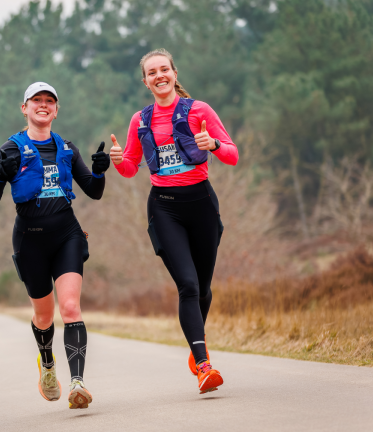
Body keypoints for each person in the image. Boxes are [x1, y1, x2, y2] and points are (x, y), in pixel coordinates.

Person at [109, 48, 239, 394]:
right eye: (151, 73)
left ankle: (196, 349)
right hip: (164, 208)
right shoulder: (140, 120)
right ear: (145, 81)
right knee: (188, 286)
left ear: (174, 73)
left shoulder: (199, 110)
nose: (159, 76)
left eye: (163, 69)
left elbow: (233, 155)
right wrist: (119, 158)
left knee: (204, 289)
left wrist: (212, 144)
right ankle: (203, 363)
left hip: (201, 204)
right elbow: (129, 169)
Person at [0, 82, 110, 409]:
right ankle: (48, 365)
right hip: (30, 241)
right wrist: (0, 176)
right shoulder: (11, 149)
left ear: (56, 110)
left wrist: (99, 171)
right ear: (24, 108)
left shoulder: (67, 148)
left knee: (69, 308)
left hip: (67, 234)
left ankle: (78, 383)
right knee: (43, 315)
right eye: (36, 100)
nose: (43, 105)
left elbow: (94, 191)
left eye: (49, 101)